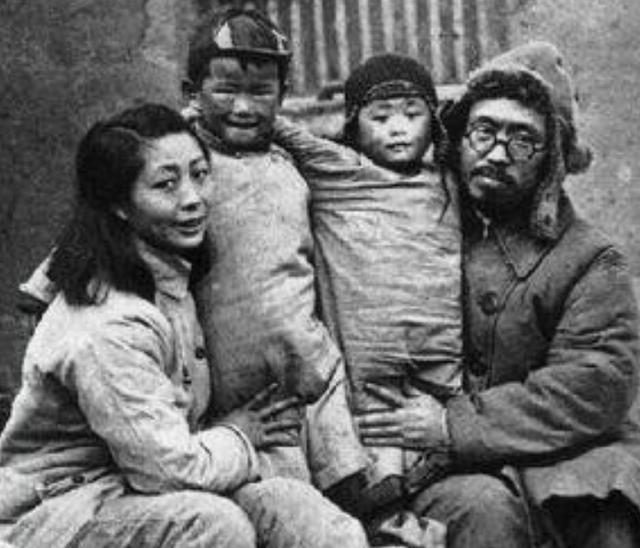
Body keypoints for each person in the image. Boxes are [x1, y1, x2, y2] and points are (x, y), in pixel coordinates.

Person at [0, 103, 368, 548]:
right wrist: (239, 435)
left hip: (142, 488)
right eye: (166, 184)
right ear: (119, 204)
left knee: (301, 513)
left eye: (200, 174)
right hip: (61, 509)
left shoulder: (169, 276)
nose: (193, 198)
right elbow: (167, 470)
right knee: (215, 526)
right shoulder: (107, 323)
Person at [356, 41, 640, 548]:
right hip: (441, 468)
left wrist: (456, 424)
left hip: (558, 455)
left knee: (609, 514)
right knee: (483, 512)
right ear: (458, 136)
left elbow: (596, 382)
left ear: (552, 160)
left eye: (524, 139)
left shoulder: (591, 259)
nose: (498, 152)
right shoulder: (416, 223)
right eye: (484, 131)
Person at [182, 8, 370, 492]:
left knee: (346, 488)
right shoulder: (181, 167)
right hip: (227, 383)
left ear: (283, 96)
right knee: (270, 493)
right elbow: (105, 214)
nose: (244, 107)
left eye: (261, 91)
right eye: (226, 90)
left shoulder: (293, 167)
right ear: (193, 92)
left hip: (307, 368)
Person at [272, 53, 462, 528]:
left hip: (439, 355)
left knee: (437, 447)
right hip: (366, 358)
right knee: (374, 472)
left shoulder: (449, 183)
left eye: (413, 115)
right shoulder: (341, 171)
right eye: (380, 118)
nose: (398, 128)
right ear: (354, 125)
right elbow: (286, 133)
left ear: (434, 123)